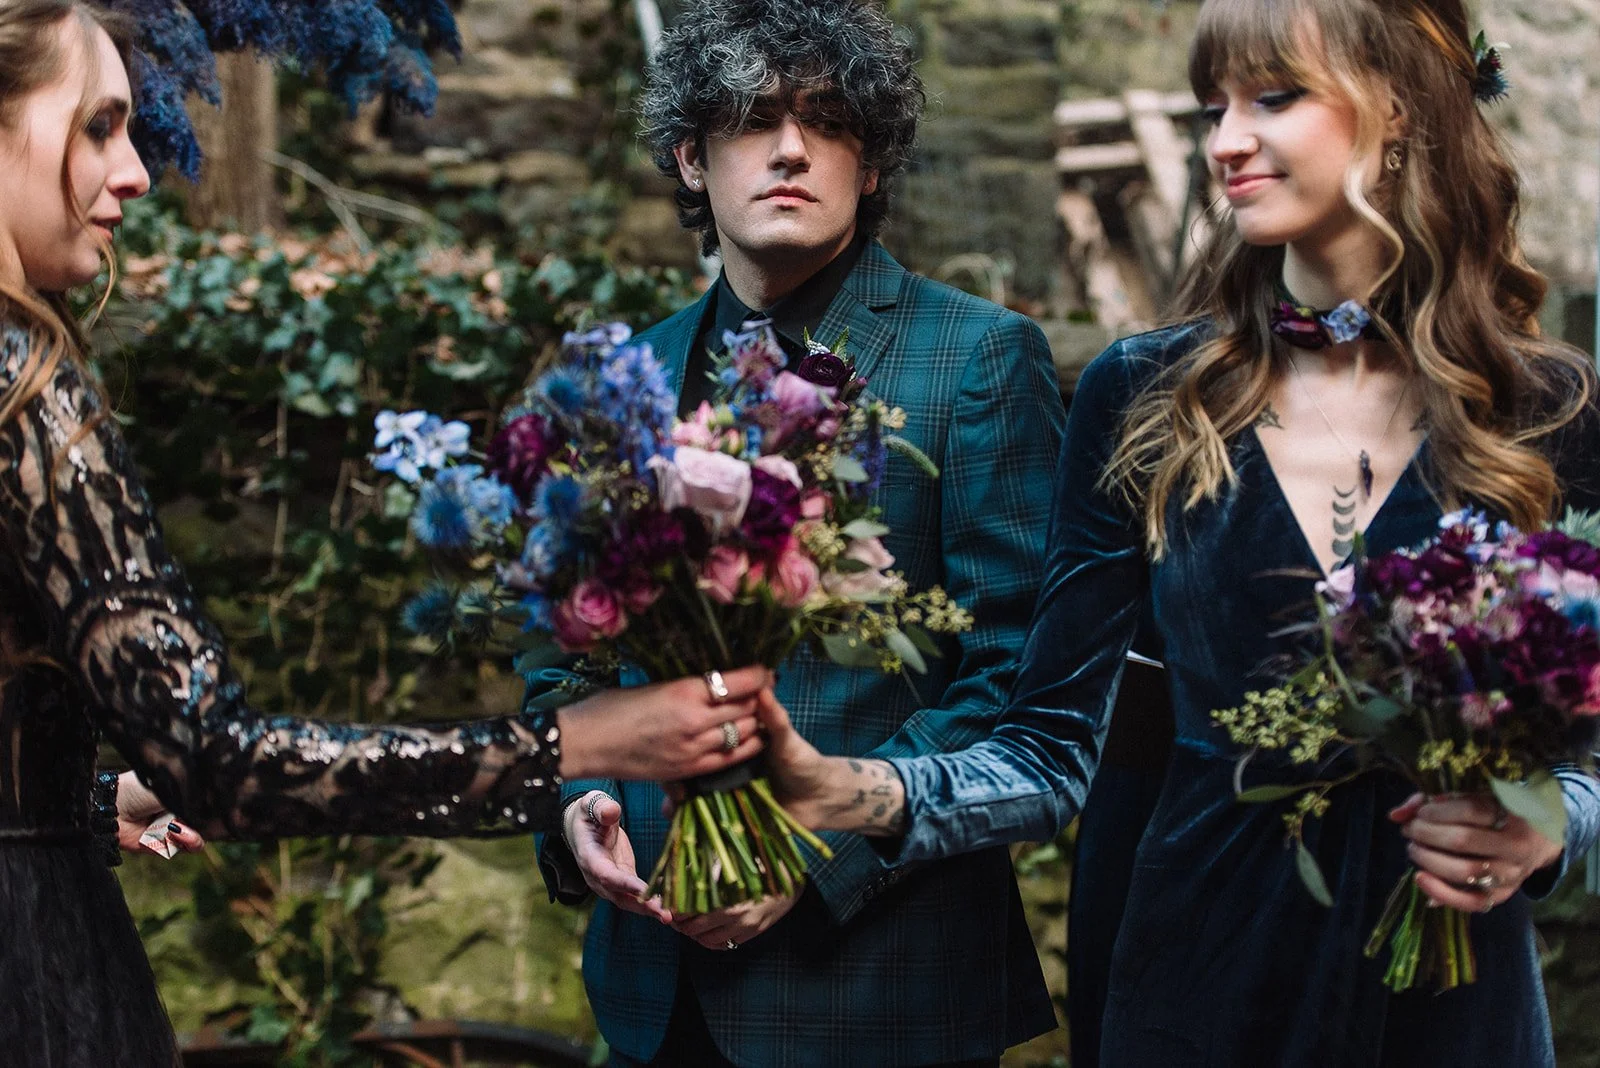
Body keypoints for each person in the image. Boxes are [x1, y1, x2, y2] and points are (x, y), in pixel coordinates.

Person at [757, 0, 1600, 1063]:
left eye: (1273, 98)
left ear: (1398, 111)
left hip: (1450, 997)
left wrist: (1548, 822)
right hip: (1201, 976)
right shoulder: (1145, 394)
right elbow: (1049, 744)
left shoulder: (1547, 410)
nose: (1225, 142)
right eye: (1213, 110)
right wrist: (844, 790)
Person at [0, 3, 769, 1063]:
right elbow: (221, 765)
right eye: (98, 126)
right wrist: (580, 743)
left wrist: (74, 804)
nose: (135, 172)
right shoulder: (25, 392)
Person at [531, 1, 1067, 1064]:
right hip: (655, 982)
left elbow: (1016, 680)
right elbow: (560, 660)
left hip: (880, 988)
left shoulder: (978, 359)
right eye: (751, 119)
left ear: (871, 165)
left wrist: (814, 845)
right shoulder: (621, 377)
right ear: (691, 157)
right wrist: (579, 801)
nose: (789, 149)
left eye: (827, 122)